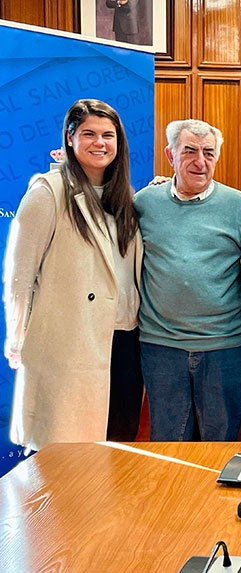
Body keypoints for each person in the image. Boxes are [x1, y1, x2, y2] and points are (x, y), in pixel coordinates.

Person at [3, 98, 143, 451]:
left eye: (108, 135)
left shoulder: (124, 197)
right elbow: (20, 276)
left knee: (117, 447)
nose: (100, 143)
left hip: (124, 342)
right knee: (69, 455)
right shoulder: (48, 192)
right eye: (89, 134)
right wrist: (18, 336)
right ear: (69, 138)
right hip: (72, 342)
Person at [135, 119, 241, 442]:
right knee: (168, 447)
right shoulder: (143, 204)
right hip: (161, 346)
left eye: (209, 152)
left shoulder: (240, 207)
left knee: (220, 447)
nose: (200, 162)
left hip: (226, 347)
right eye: (189, 151)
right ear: (170, 155)